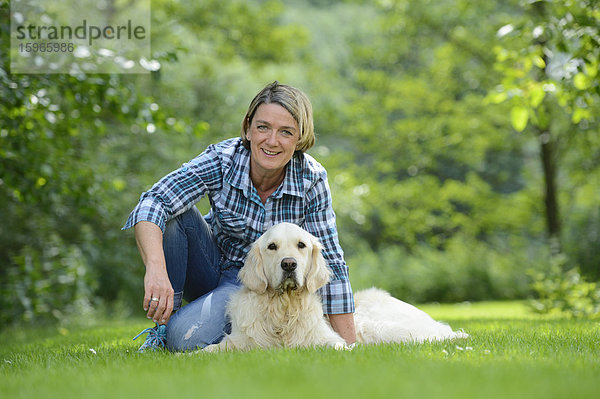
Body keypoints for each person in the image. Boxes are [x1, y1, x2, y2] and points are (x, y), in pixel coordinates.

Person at [123, 81, 356, 352]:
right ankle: (161, 329)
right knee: (174, 214)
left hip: (255, 282)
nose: (272, 141)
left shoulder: (311, 179)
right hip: (210, 266)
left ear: (299, 138)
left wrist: (348, 346)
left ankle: (181, 329)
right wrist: (155, 269)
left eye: (286, 132)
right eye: (263, 127)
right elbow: (153, 201)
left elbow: (333, 264)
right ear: (247, 127)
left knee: (184, 340)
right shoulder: (222, 159)